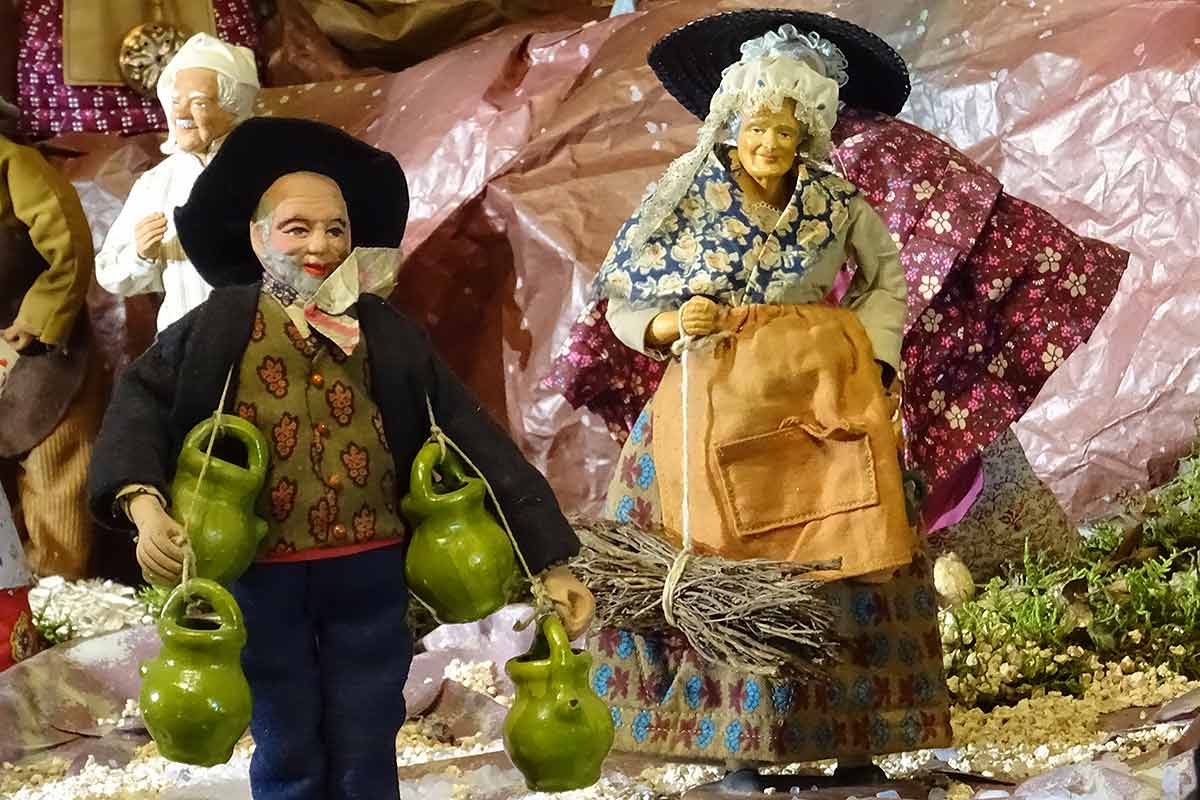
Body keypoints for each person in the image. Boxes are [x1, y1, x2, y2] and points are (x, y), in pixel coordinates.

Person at [88, 117, 594, 800]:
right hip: (259, 572)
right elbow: (138, 403)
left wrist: (549, 559)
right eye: (297, 228)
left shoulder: (385, 332)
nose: (319, 245)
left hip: (370, 568)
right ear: (257, 236)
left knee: (367, 721)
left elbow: (476, 435)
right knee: (285, 725)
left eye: (335, 229)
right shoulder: (217, 330)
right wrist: (144, 506)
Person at [558, 15, 951, 789]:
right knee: (716, 558)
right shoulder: (682, 195)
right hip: (709, 394)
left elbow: (886, 278)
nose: (770, 144)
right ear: (731, 122)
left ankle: (856, 742)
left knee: (848, 556)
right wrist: (671, 323)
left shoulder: (836, 204)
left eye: (785, 130)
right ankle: (738, 745)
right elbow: (624, 297)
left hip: (819, 394)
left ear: (807, 132)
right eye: (756, 127)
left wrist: (871, 356)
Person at [0, 101, 105, 580]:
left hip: (36, 343)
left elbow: (68, 245)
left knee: (55, 467)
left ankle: (57, 595)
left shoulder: (15, 164)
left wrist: (39, 316)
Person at [94, 33, 259, 333]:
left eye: (198, 102)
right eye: (175, 101)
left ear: (233, 106)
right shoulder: (157, 183)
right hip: (186, 342)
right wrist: (141, 254)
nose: (180, 113)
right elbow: (111, 273)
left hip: (261, 339)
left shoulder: (266, 168)